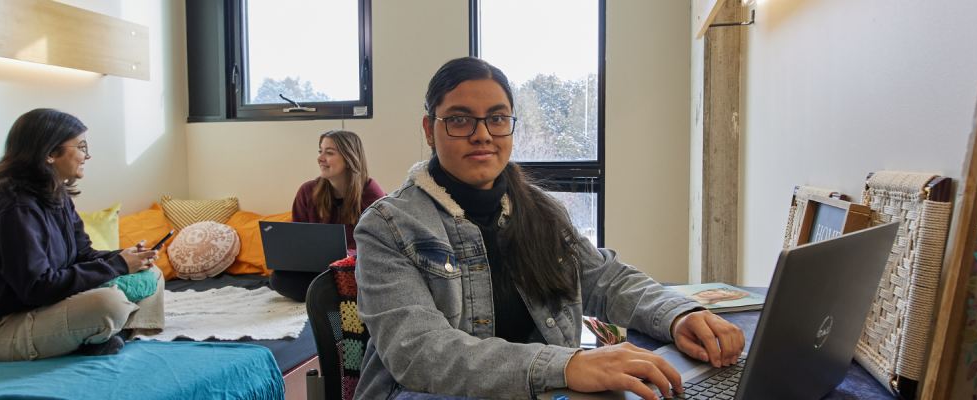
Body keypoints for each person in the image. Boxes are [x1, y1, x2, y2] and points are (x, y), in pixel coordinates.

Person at [352, 57, 747, 400]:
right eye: (458, 119)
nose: (482, 134)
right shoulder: (387, 227)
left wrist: (677, 314)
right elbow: (421, 353)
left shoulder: (542, 211)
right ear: (428, 129)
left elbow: (605, 279)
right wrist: (569, 365)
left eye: (497, 118)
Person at [0, 108, 160, 362]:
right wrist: (117, 265)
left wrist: (127, 257)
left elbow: (83, 255)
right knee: (108, 303)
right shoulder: (15, 209)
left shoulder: (57, 196)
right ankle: (101, 333)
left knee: (151, 273)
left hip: (42, 310)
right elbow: (37, 288)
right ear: (49, 153)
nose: (87, 155)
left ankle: (107, 335)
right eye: (81, 146)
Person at [271, 130, 386, 302]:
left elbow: (379, 247)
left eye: (329, 153)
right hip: (317, 268)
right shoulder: (307, 191)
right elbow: (297, 238)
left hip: (355, 268)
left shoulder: (373, 196)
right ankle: (334, 293)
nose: (320, 158)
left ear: (349, 158)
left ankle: (326, 294)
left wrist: (347, 255)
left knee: (374, 276)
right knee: (279, 278)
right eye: (320, 151)